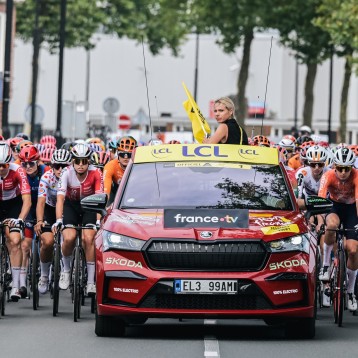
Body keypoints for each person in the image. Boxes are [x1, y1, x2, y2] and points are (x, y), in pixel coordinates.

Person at [52, 143, 103, 295]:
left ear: (89, 161)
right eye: (77, 161)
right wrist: (59, 220)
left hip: (90, 206)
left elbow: (100, 200)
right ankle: (66, 270)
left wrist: (98, 222)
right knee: (69, 237)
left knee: (89, 238)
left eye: (84, 161)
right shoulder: (66, 173)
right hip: (71, 206)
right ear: (73, 161)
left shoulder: (96, 173)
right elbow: (60, 199)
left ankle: (90, 282)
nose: (81, 165)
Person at [318, 147, 358, 311]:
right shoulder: (328, 175)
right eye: (339, 168)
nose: (342, 172)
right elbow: (321, 200)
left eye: (346, 169)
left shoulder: (356, 176)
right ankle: (326, 265)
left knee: (353, 250)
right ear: (334, 166)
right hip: (334, 206)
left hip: (350, 210)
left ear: (351, 167)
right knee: (332, 226)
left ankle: (350, 293)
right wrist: (320, 220)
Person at [34, 149, 72, 294]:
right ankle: (44, 276)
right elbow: (41, 202)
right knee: (48, 242)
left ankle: (67, 269)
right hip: (50, 210)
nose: (60, 169)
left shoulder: (71, 176)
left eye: (64, 166)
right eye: (57, 166)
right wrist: (39, 220)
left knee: (68, 240)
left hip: (66, 209)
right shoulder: (46, 177)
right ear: (52, 166)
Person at [0, 142, 31, 301]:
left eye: (4, 164)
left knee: (15, 239)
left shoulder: (17, 170)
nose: (1, 168)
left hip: (14, 204)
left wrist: (20, 219)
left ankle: (16, 285)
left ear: (9, 162)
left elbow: (27, 200)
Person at [18, 145, 48, 298]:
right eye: (24, 164)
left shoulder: (46, 171)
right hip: (29, 209)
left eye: (31, 163)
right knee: (25, 245)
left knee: (45, 241)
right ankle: (22, 283)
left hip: (44, 208)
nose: (28, 167)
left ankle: (47, 272)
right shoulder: (20, 173)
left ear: (38, 162)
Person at [103, 136, 137, 204]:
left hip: (135, 192)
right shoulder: (110, 166)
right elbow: (106, 193)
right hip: (116, 192)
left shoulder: (139, 166)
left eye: (129, 154)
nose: (126, 157)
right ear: (117, 153)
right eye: (122, 154)